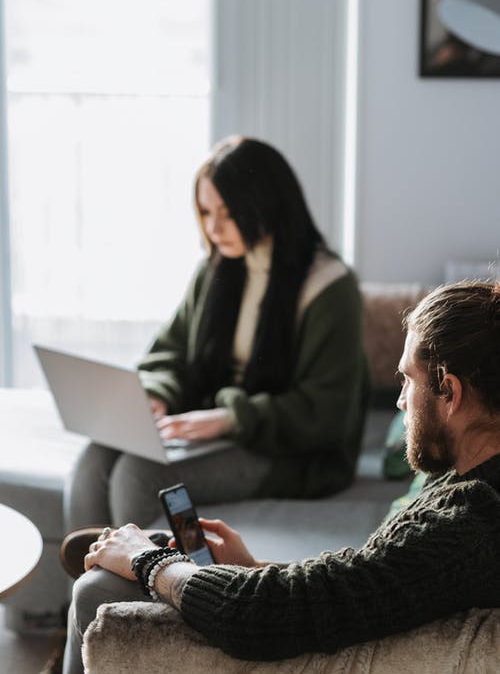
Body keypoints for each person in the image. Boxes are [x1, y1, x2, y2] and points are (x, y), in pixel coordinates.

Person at [61, 280, 500, 672]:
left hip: (279, 639)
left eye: (408, 380)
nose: (401, 401)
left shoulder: (471, 522)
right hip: (319, 615)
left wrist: (149, 562)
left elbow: (262, 615)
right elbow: (368, 584)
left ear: (450, 393)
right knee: (134, 557)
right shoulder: (464, 479)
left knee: (97, 590)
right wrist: (252, 567)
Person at [64, 135, 370, 532]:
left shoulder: (329, 286)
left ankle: (157, 590)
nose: (213, 228)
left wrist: (231, 419)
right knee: (92, 463)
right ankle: (86, 593)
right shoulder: (215, 270)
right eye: (205, 212)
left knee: (138, 476)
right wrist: (158, 394)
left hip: (293, 451)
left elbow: (326, 412)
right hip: (218, 424)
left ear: (269, 204)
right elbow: (171, 352)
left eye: (228, 213)